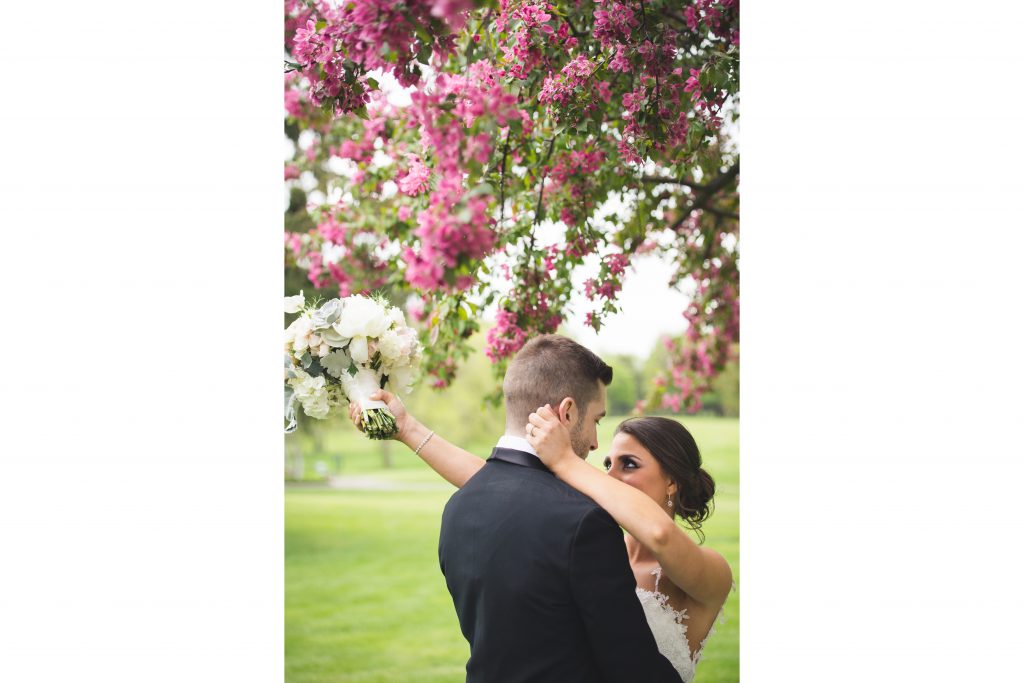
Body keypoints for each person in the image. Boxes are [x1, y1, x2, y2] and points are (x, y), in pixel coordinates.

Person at [349, 334, 730, 681]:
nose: (607, 475)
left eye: (629, 465)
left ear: (672, 482)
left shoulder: (709, 571)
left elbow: (661, 534)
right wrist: (408, 429)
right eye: (608, 464)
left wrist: (567, 462)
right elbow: (512, 490)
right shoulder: (585, 530)